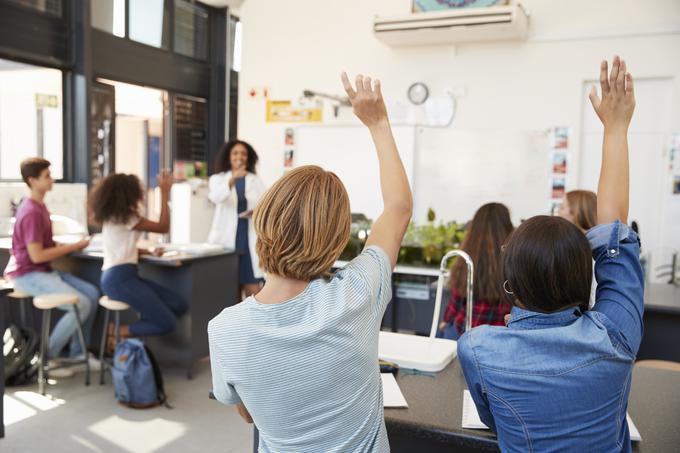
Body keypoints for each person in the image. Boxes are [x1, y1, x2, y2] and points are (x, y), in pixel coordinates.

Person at [208, 72, 412, 452]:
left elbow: (248, 412)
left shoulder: (224, 330)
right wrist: (378, 123)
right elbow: (398, 208)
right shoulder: (359, 293)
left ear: (263, 220)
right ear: (337, 241)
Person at [458, 56, 642, 452]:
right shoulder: (614, 335)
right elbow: (615, 235)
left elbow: (492, 419)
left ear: (510, 284)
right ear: (585, 274)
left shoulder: (478, 348)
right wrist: (616, 128)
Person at [4, 157, 99, 375]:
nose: (51, 179)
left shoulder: (40, 206)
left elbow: (43, 246)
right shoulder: (30, 212)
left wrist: (69, 245)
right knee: (82, 304)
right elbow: (37, 256)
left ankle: (78, 354)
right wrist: (73, 246)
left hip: (41, 270)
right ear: (32, 180)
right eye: (46, 176)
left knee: (92, 294)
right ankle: (47, 360)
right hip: (26, 274)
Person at [89, 171, 187, 343]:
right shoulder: (126, 216)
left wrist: (149, 251)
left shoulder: (113, 217)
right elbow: (163, 227)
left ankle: (131, 340)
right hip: (119, 279)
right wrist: (164, 192)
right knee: (168, 323)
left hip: (122, 276)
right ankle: (118, 332)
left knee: (178, 304)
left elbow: (121, 248)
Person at [437, 203, 513, 340]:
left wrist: (446, 320)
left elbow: (458, 296)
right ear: (508, 225)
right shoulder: (514, 258)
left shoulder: (468, 257)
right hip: (501, 335)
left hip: (466, 332)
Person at [207, 140, 267, 298]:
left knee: (254, 292)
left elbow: (266, 204)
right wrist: (232, 179)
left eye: (243, 153)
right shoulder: (218, 179)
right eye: (235, 153)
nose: (239, 156)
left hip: (248, 240)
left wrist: (258, 212)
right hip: (227, 241)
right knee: (229, 292)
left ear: (248, 158)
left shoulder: (255, 180)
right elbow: (215, 198)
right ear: (229, 157)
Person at [558, 189, 598, 307]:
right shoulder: (575, 245)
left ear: (575, 212)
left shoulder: (589, 251)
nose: (558, 212)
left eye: (562, 207)